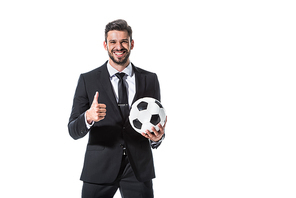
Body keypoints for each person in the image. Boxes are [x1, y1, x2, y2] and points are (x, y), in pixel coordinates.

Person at [68, 19, 167, 198]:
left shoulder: (150, 79)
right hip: (99, 168)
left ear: (132, 44)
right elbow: (73, 130)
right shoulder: (87, 80)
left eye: (123, 41)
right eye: (113, 42)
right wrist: (88, 117)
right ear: (105, 44)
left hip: (137, 169)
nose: (118, 46)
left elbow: (154, 121)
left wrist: (157, 138)